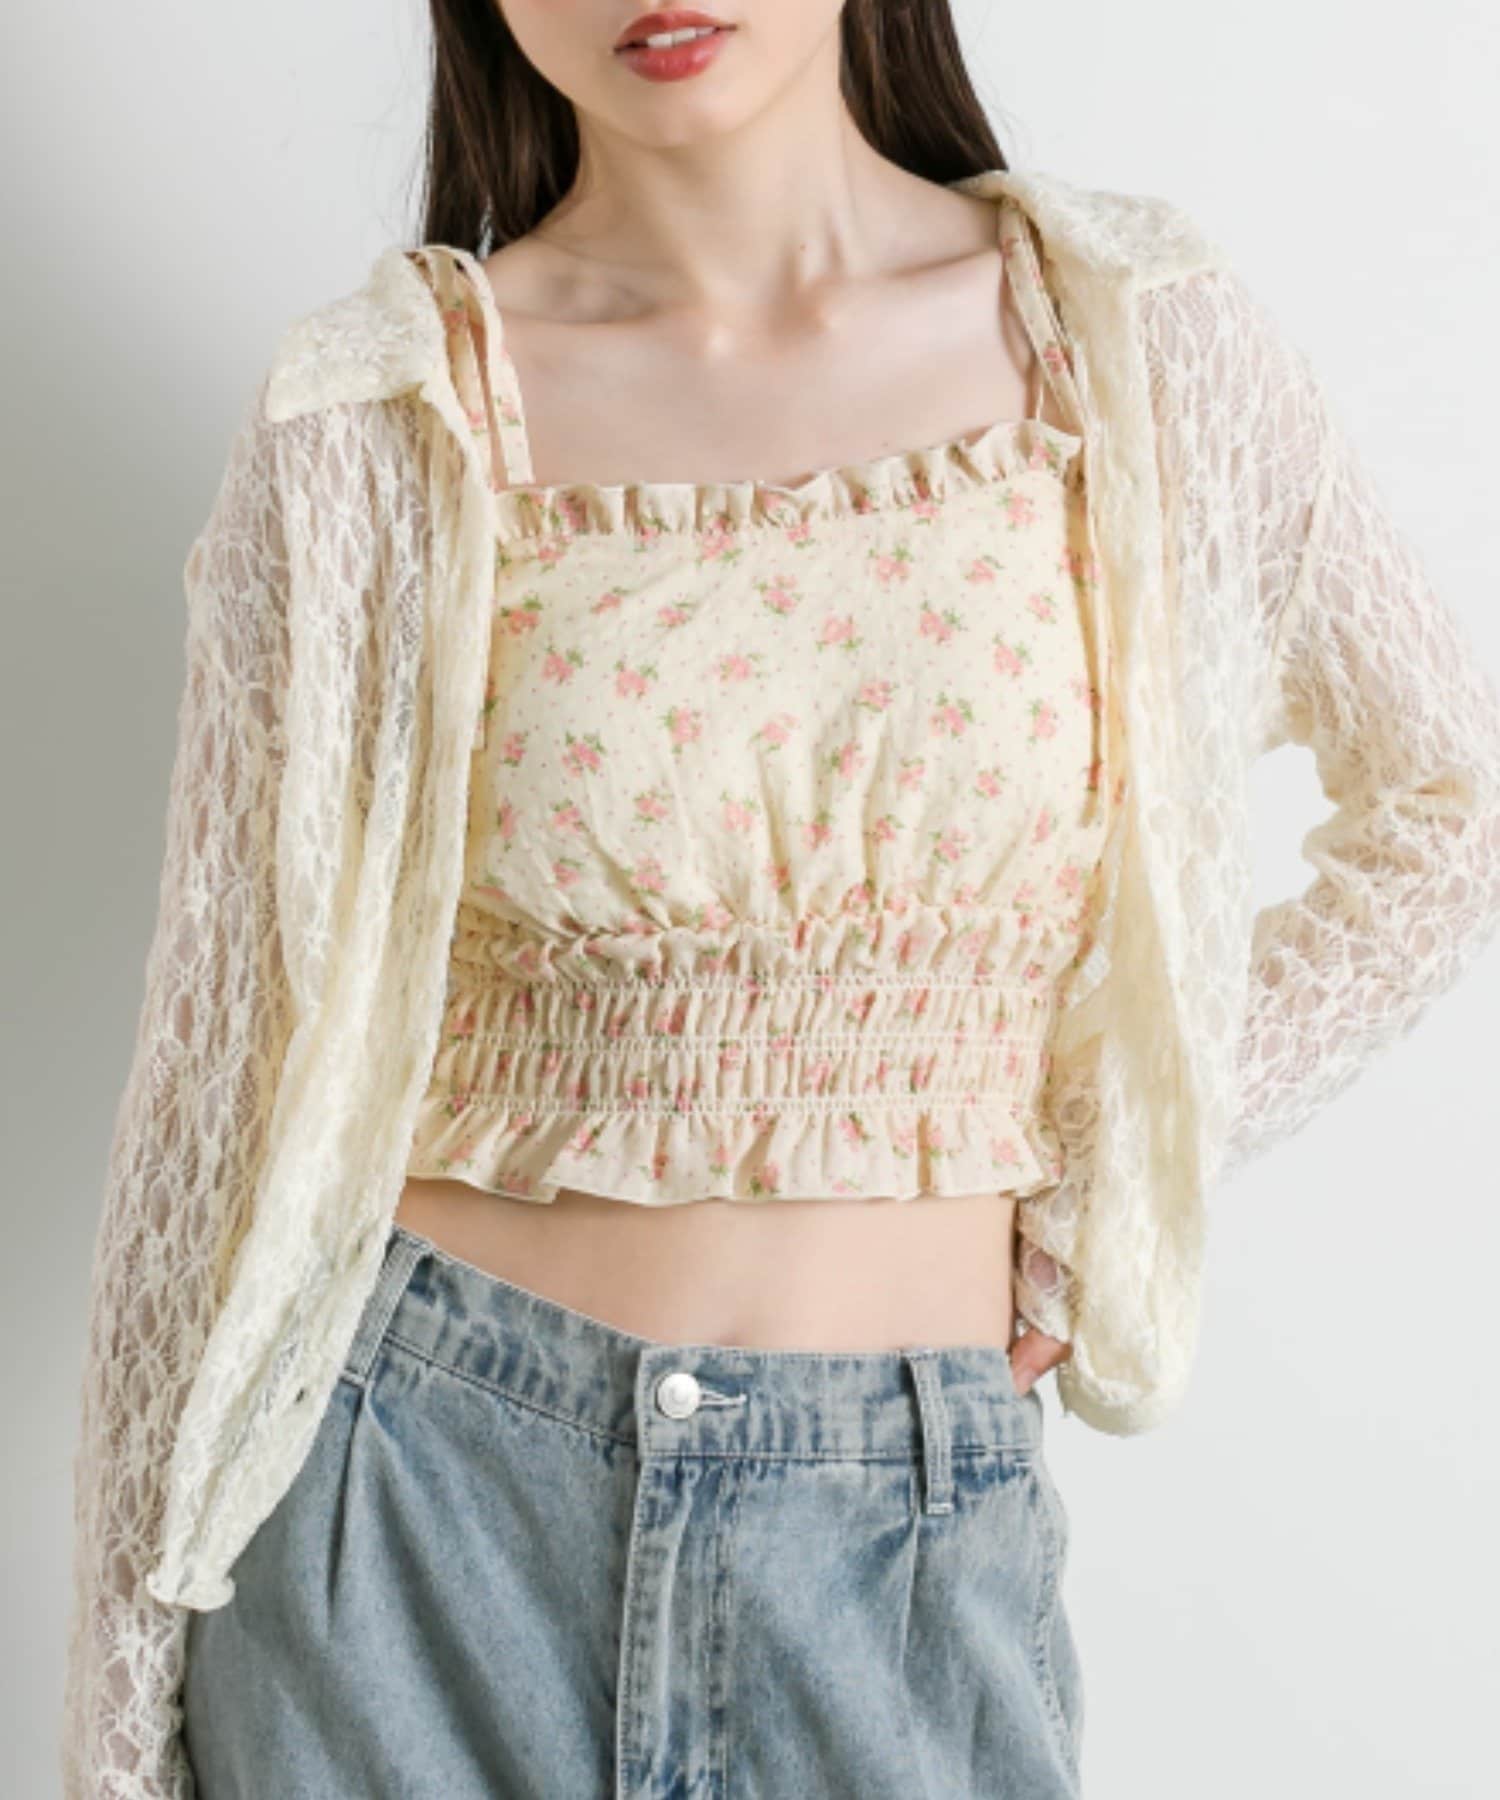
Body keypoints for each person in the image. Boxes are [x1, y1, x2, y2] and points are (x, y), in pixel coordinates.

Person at [62, 2, 1500, 1796]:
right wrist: (117, 1732)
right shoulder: (370, 416)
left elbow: (1445, 811)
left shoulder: (1135, 338)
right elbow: (210, 1105)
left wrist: (1113, 1182)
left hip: (895, 1542)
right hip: (411, 1516)